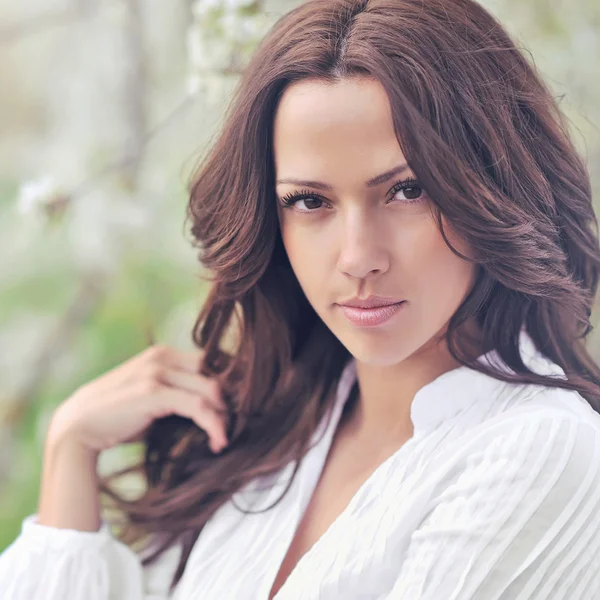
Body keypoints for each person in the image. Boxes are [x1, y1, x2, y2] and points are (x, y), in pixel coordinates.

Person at [2, 0, 600, 598]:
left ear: (490, 187)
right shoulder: (261, 438)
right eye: (310, 202)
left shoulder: (540, 451)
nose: (358, 256)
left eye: (407, 190)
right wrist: (69, 454)